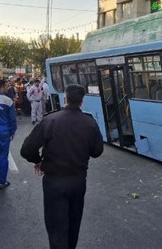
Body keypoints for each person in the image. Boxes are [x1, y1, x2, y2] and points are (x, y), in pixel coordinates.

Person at [20, 84, 104, 249]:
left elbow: (27, 149)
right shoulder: (90, 123)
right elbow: (97, 151)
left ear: (65, 99)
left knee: (57, 226)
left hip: (54, 181)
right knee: (74, 223)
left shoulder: (50, 120)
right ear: (82, 102)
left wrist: (38, 161)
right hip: (78, 180)